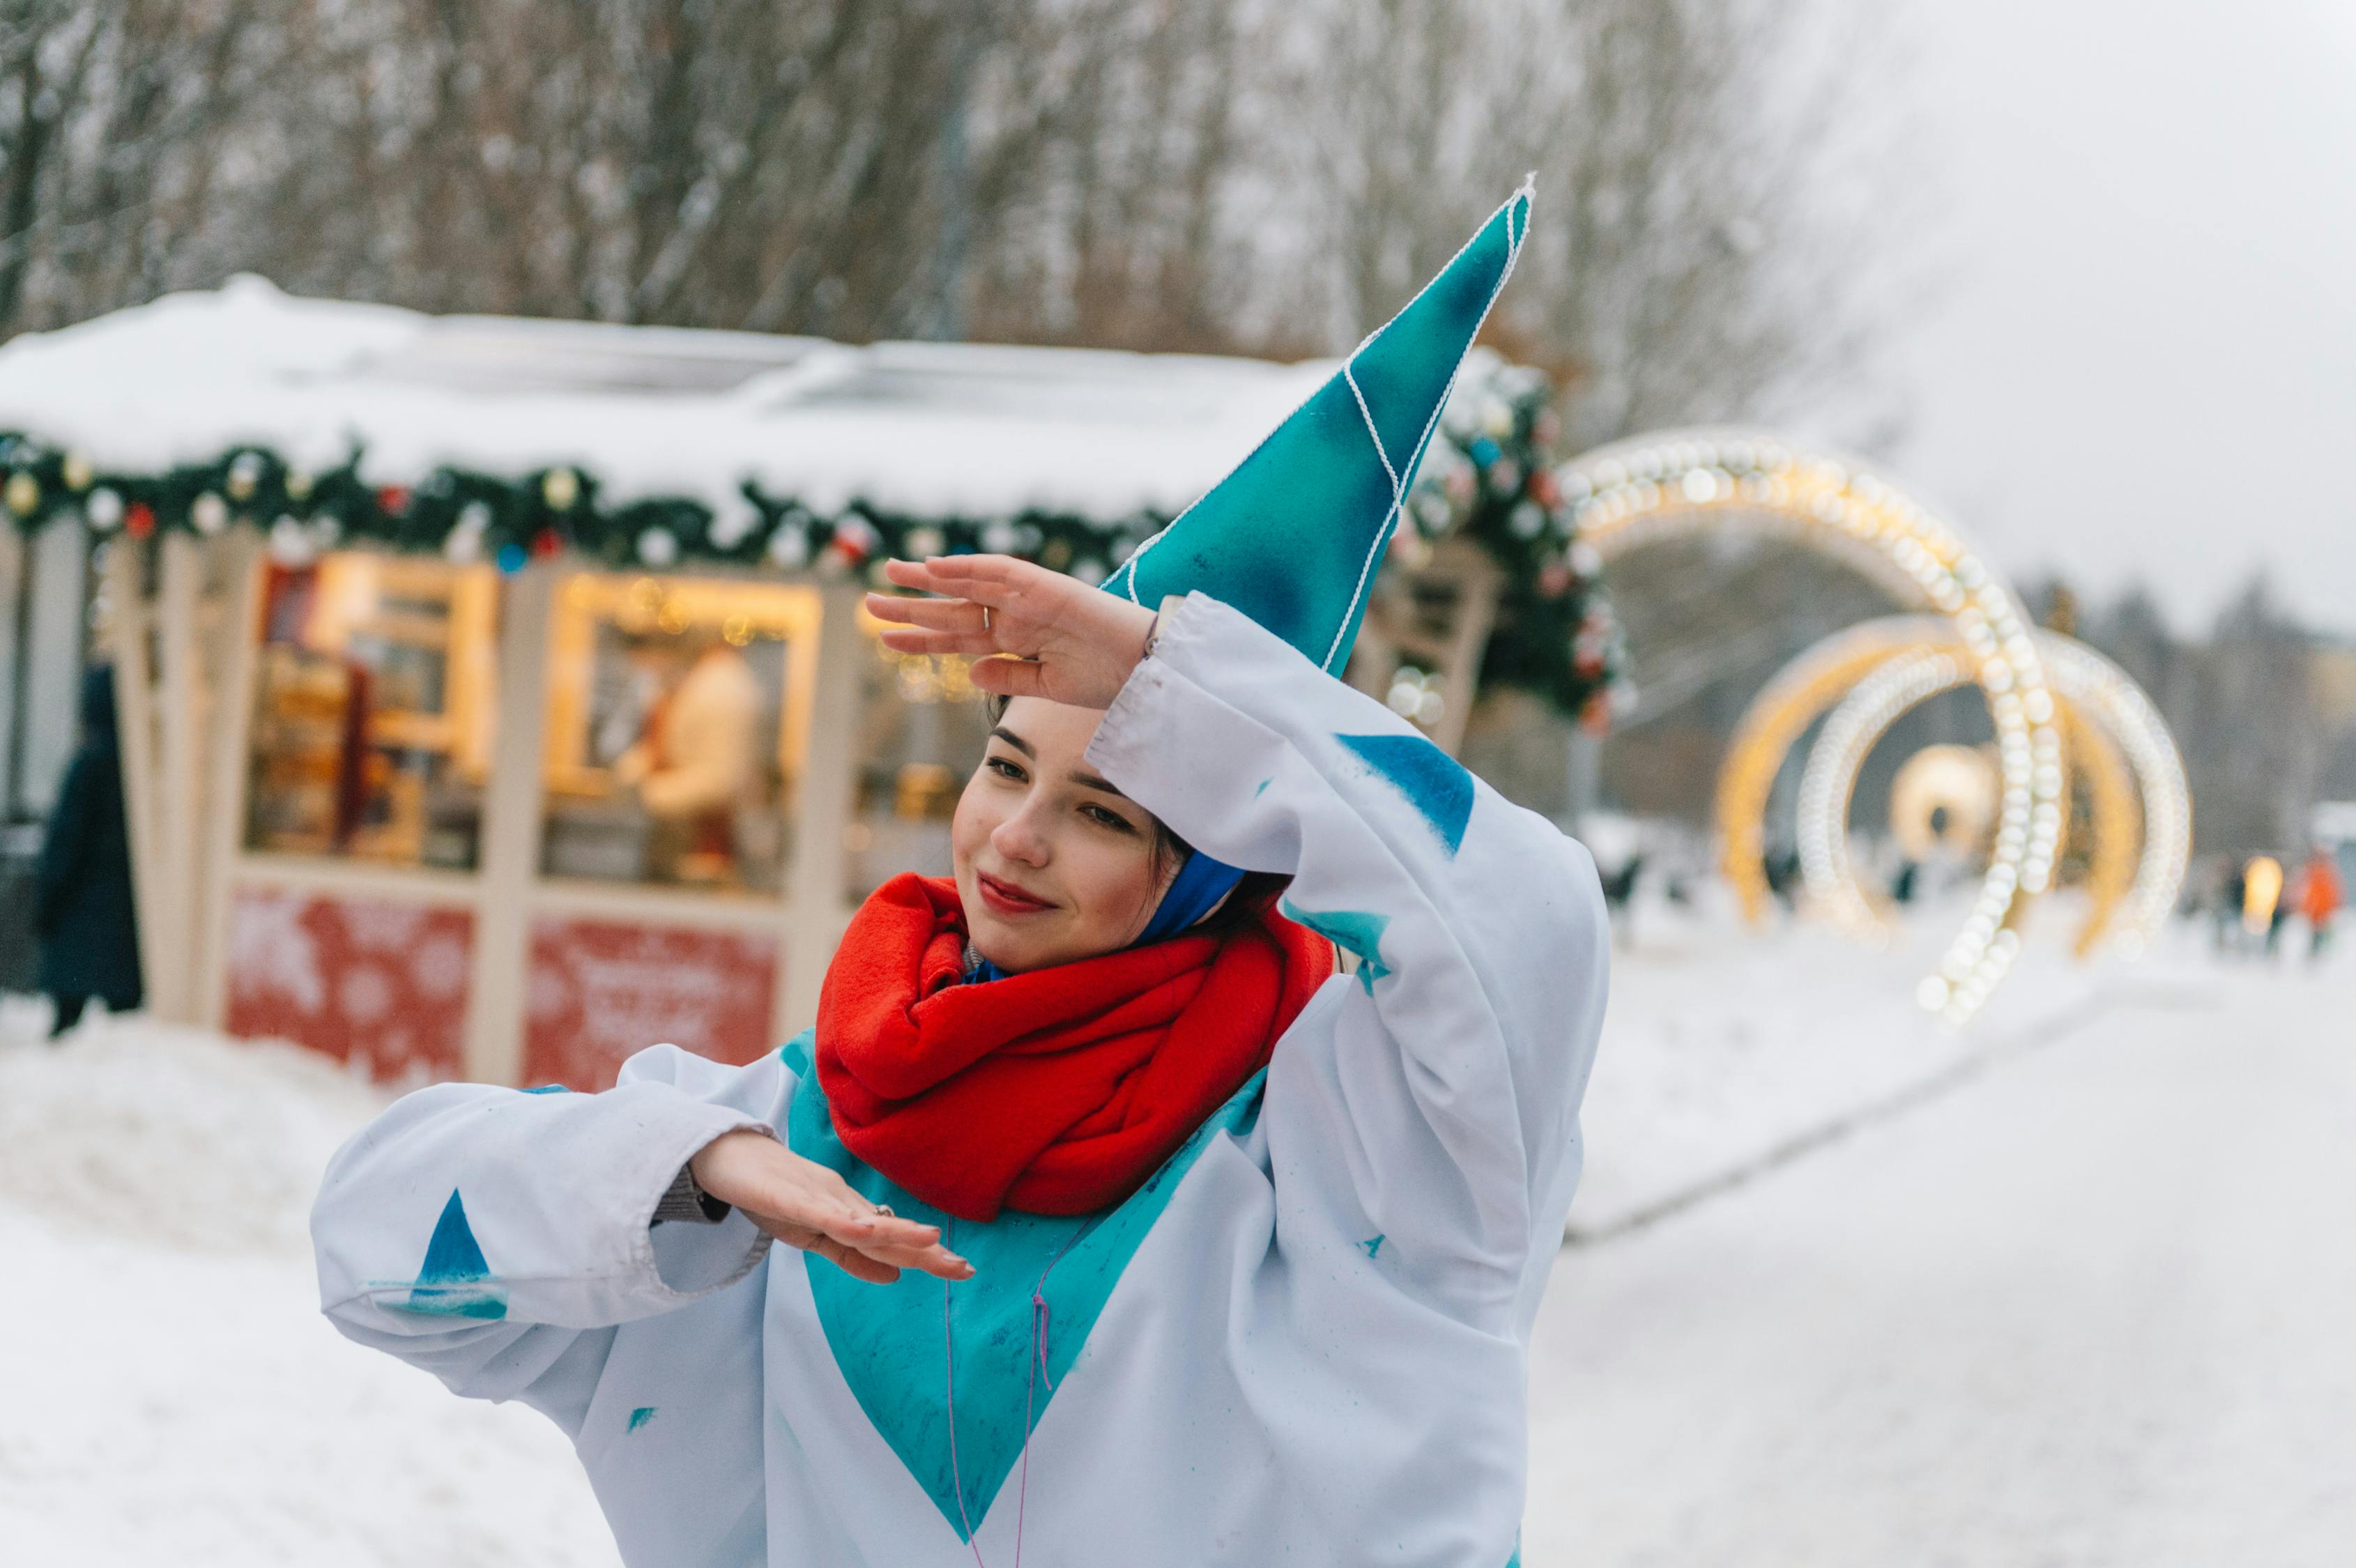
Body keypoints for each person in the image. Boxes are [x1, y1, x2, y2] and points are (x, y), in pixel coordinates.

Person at [312, 185, 1607, 1567]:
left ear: (1227, 862)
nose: (1014, 838)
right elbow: (372, 1241)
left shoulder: (1349, 1152)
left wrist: (1163, 677)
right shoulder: (809, 1122)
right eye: (1004, 768)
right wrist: (694, 1169)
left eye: (1107, 810)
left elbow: (1519, 926)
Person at [33, 667, 143, 1036]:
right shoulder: (144, 763)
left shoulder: (90, 762)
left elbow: (66, 840)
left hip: (80, 911)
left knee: (67, 1021)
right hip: (127, 916)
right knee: (124, 1026)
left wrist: (46, 900)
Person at [2294, 845, 2343, 962]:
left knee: (2322, 934)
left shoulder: (2328, 872)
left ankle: (2318, 955)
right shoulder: (2312, 871)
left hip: (2323, 910)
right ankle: (2313, 955)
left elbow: (2334, 892)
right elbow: (2306, 891)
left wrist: (2334, 906)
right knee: (2315, 934)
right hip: (2315, 910)